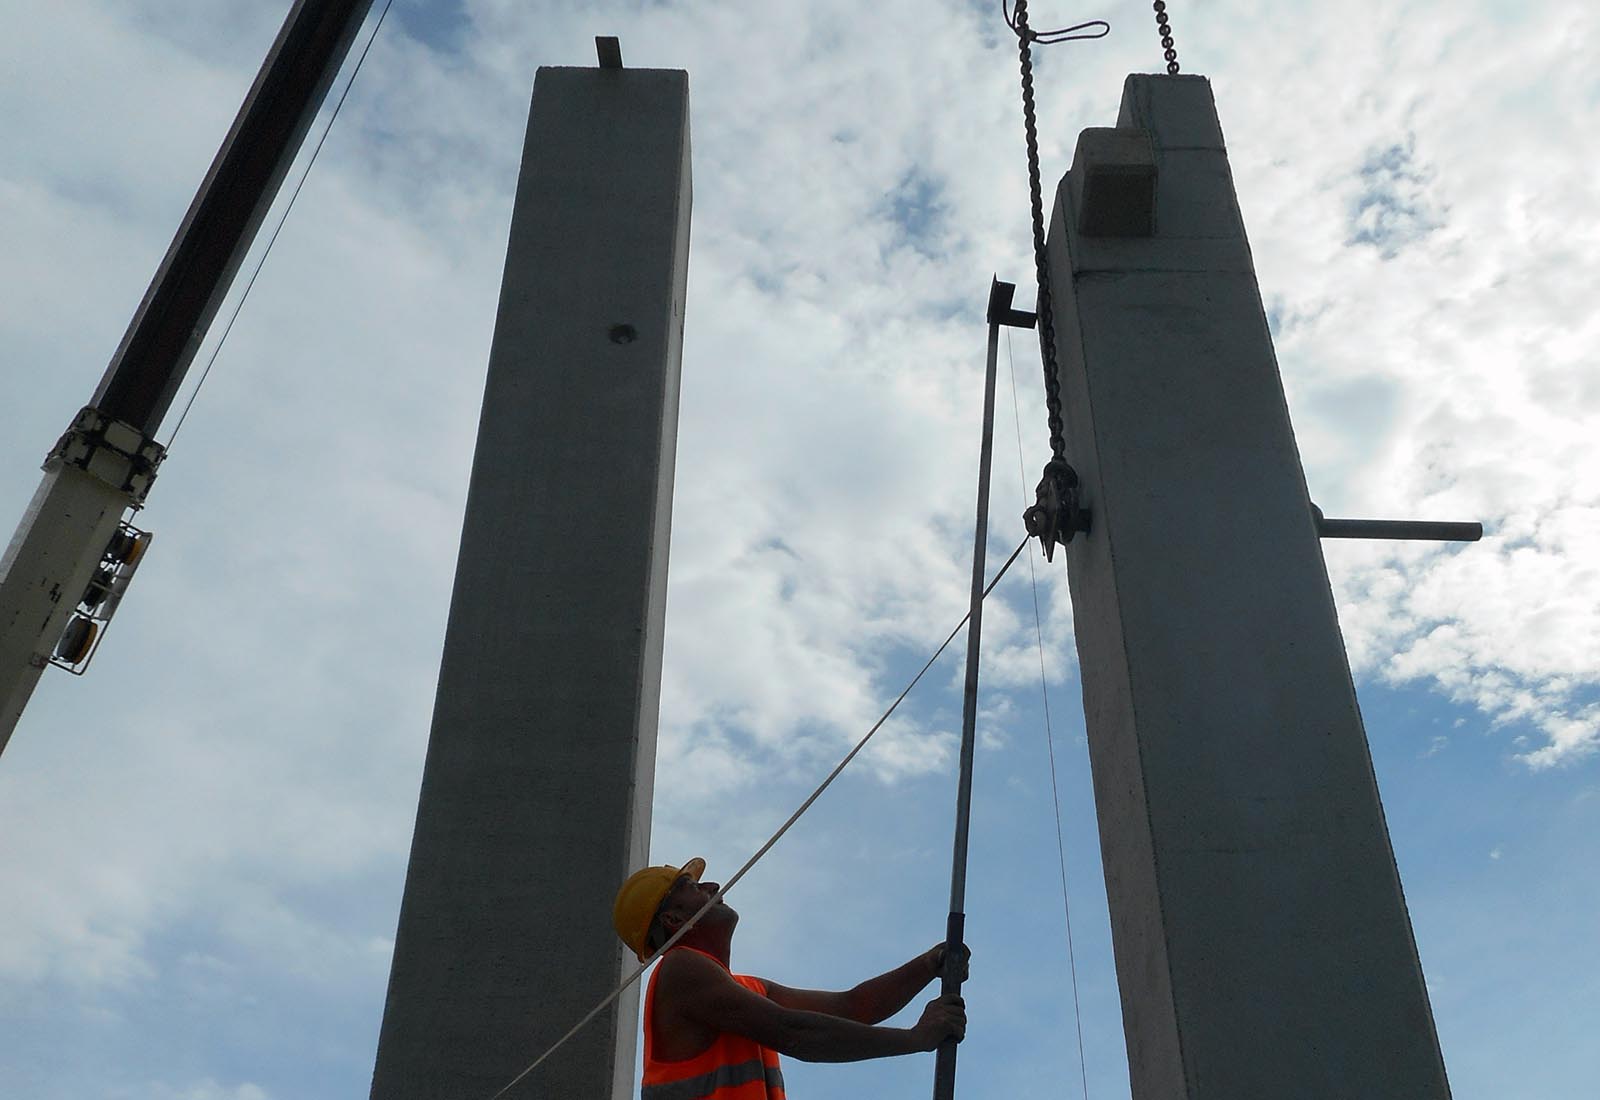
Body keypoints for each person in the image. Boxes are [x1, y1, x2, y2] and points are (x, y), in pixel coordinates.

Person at [612, 857, 968, 1100]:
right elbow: (795, 1032)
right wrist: (915, 1040)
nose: (713, 885)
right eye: (691, 886)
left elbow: (854, 1006)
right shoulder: (680, 968)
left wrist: (927, 965)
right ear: (673, 921)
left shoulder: (744, 989)